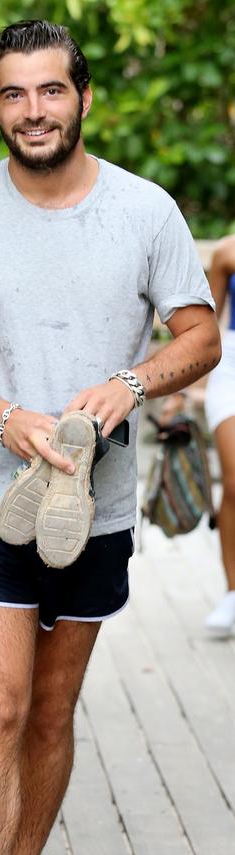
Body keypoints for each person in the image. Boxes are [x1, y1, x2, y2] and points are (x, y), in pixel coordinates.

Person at [0, 19, 220, 855]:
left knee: (49, 708)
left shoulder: (143, 210)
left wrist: (129, 383)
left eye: (48, 91)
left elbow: (198, 334)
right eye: (12, 93)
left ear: (82, 98)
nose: (30, 110)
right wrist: (2, 417)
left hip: (99, 499)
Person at [203, 237, 235, 634]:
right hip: (232, 370)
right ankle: (232, 592)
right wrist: (178, 394)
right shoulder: (227, 253)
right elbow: (204, 333)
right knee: (233, 481)